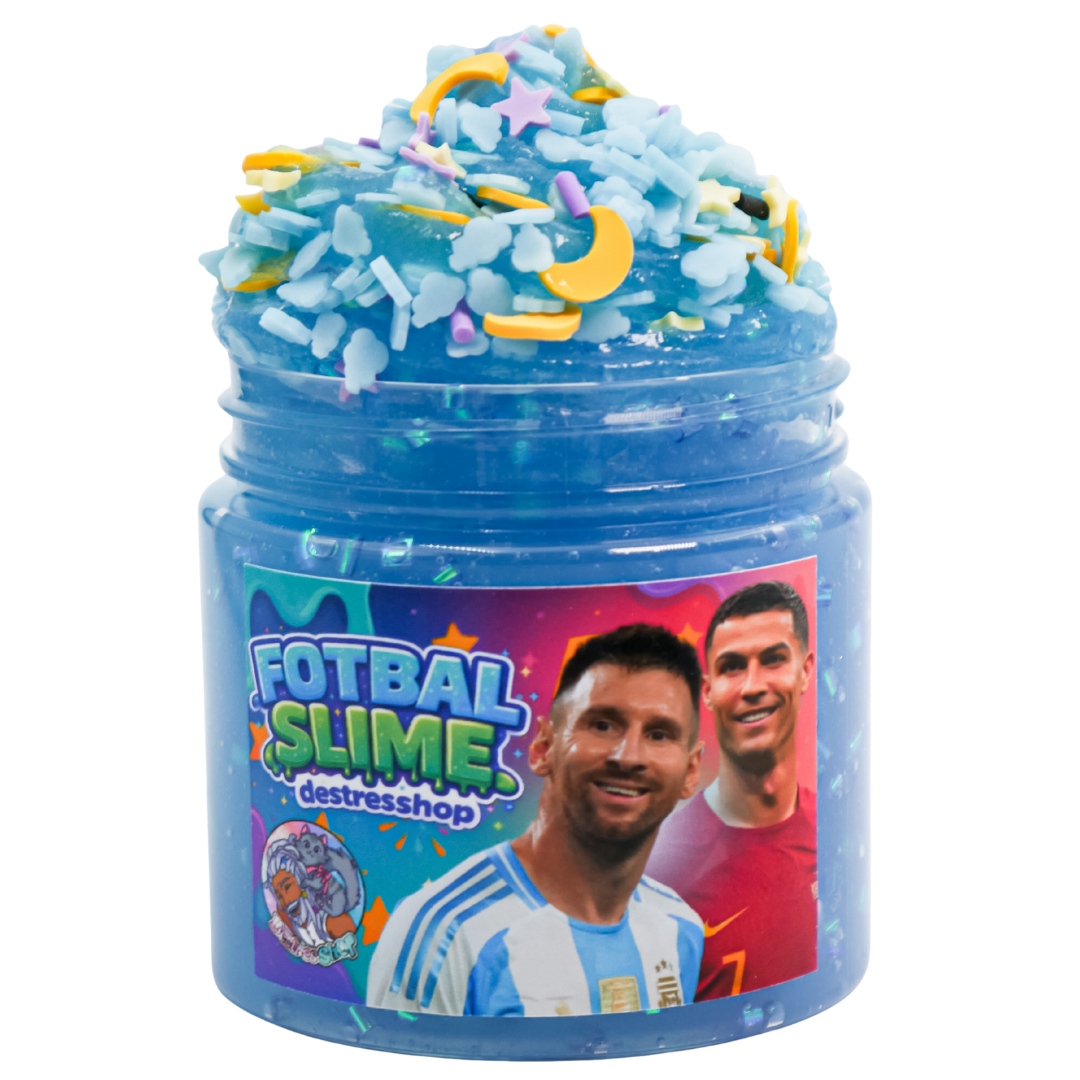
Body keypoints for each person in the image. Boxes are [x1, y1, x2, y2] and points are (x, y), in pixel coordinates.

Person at [367, 624, 706, 1017]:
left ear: (691, 771)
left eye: (659, 734)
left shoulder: (681, 928)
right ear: (544, 748)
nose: (628, 756)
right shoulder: (443, 933)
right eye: (602, 725)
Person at [646, 581, 818, 1000]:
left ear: (806, 670)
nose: (752, 686)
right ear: (708, 691)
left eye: (773, 660)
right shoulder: (658, 867)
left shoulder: (837, 832)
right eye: (732, 667)